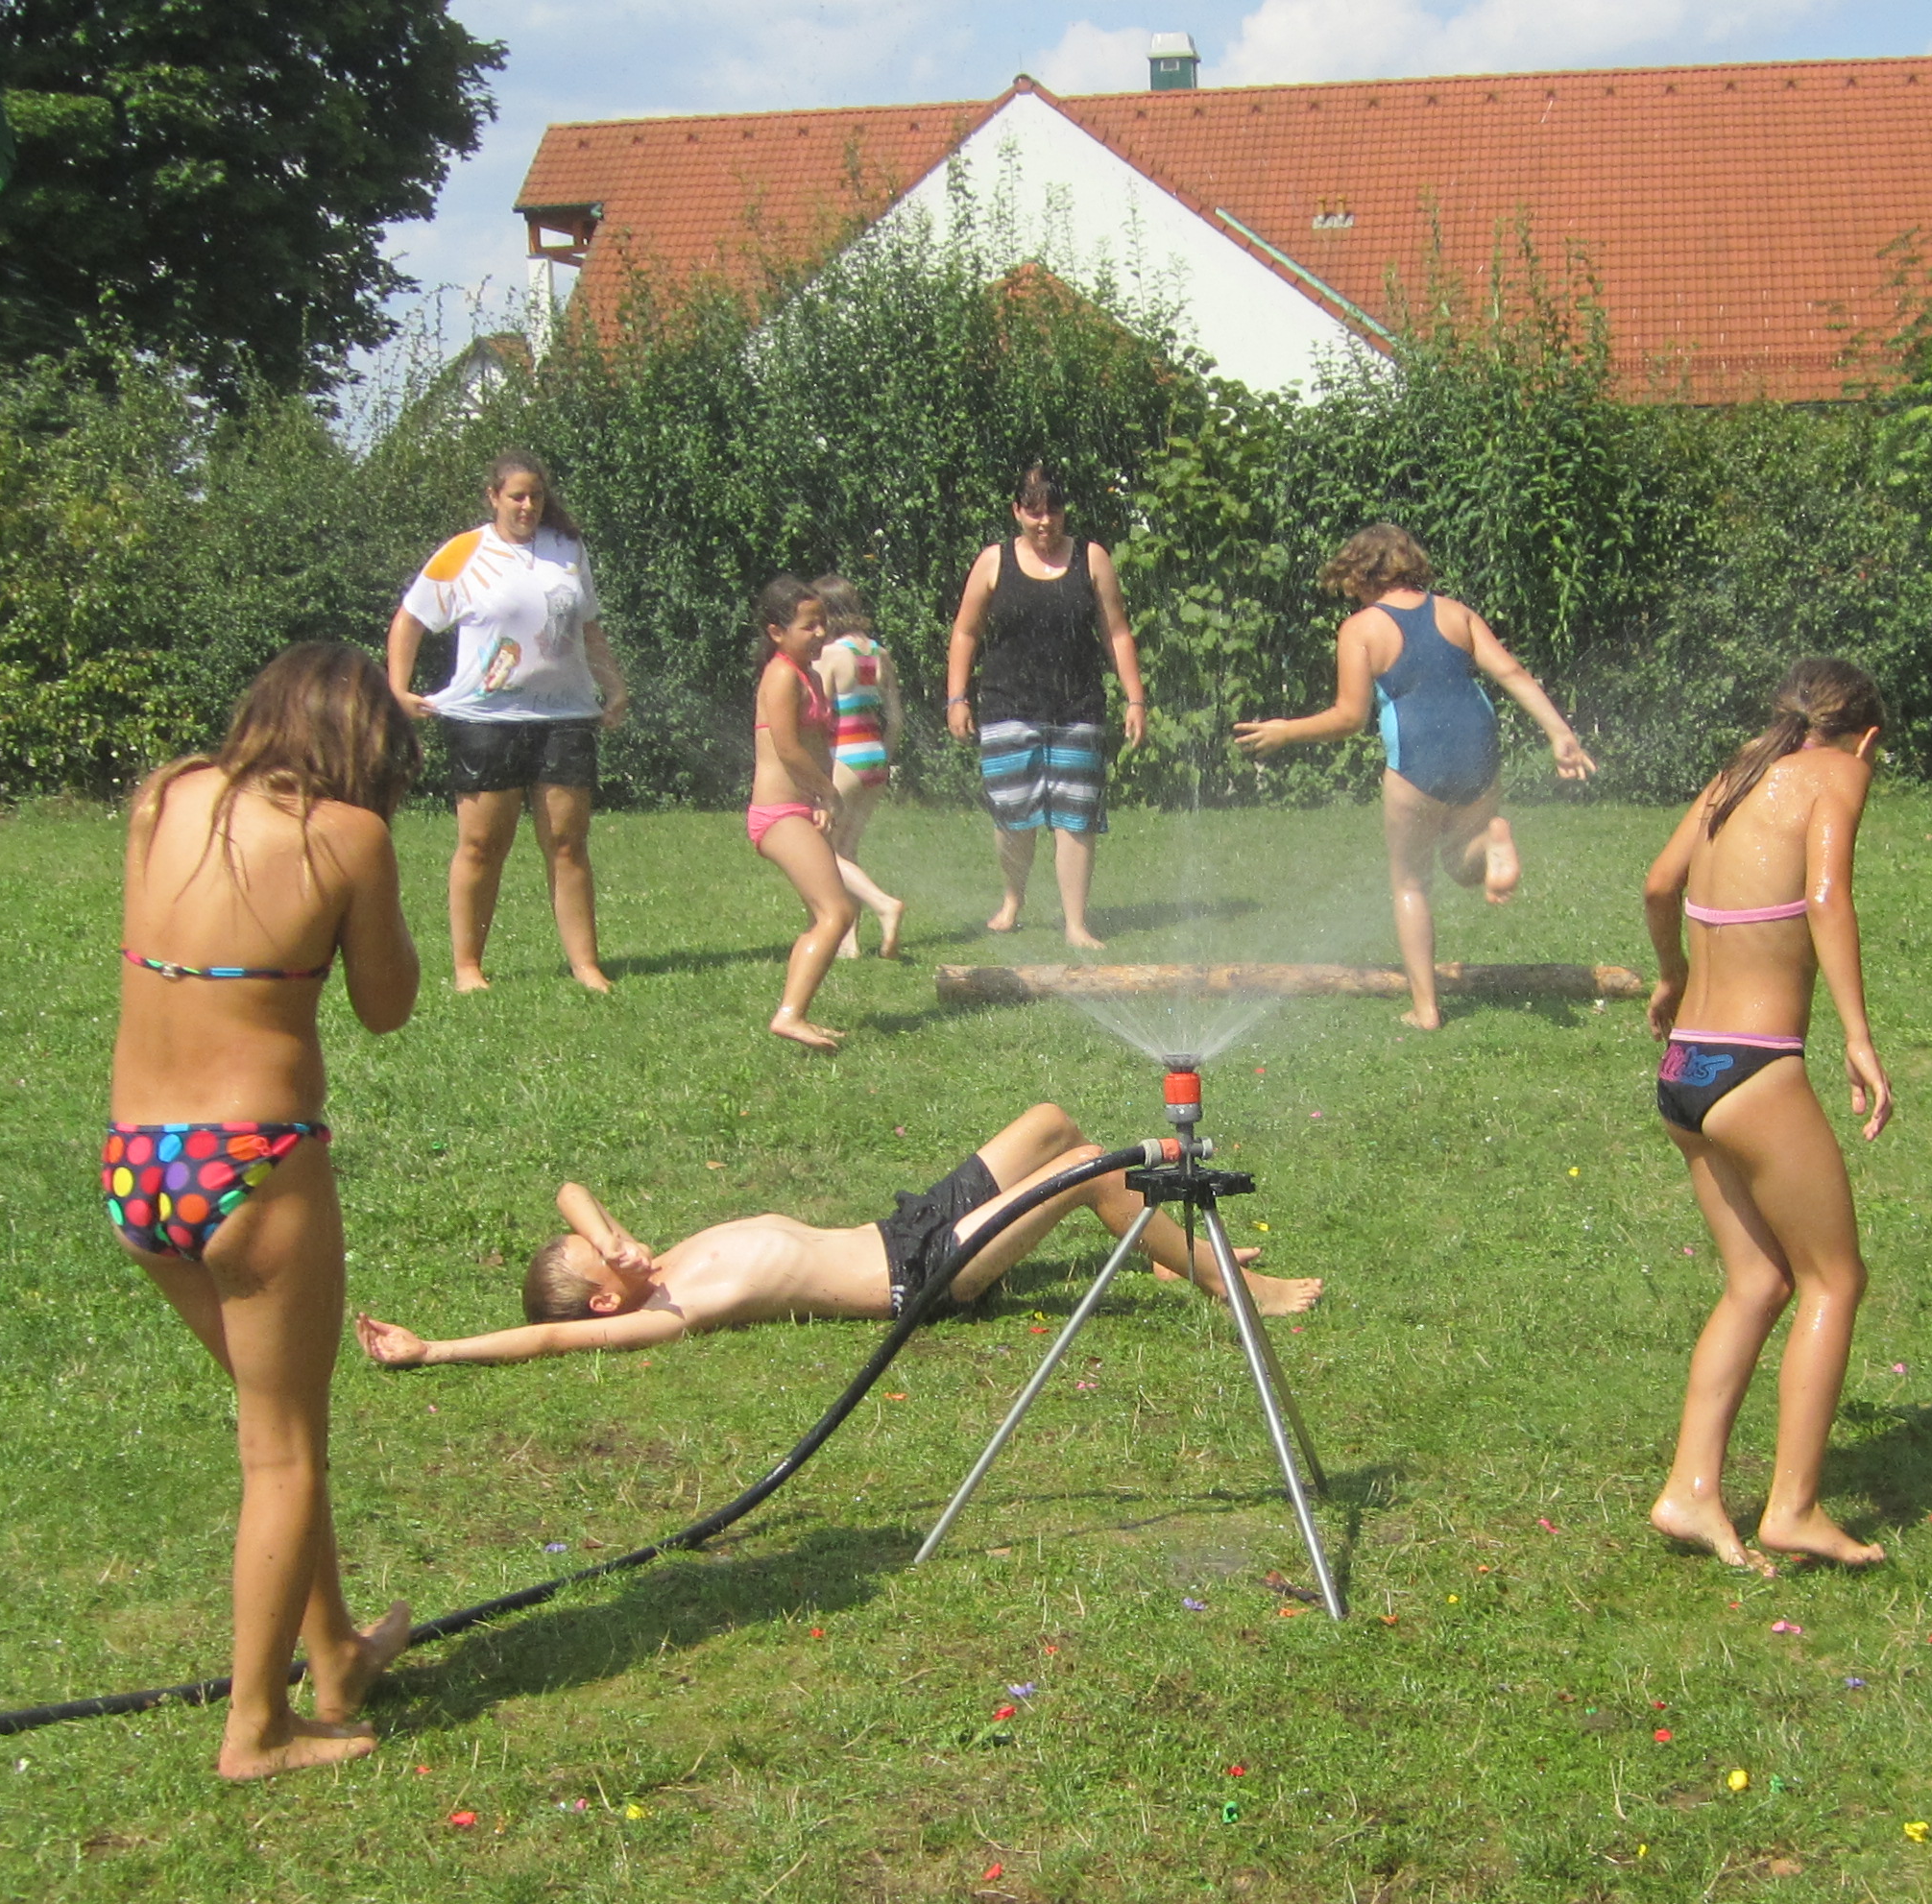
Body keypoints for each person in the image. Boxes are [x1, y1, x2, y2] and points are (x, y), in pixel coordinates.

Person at [107, 641, 427, 1778]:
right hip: (253, 1162)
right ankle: (257, 1728)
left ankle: (334, 1654)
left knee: (273, 1418)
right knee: (284, 1455)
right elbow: (387, 1004)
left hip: (139, 1166)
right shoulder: (350, 837)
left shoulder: (163, 799)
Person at [352, 1101, 1319, 1368]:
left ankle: (1158, 1252)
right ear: (608, 1300)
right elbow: (551, 1337)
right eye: (603, 1259)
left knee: (1050, 1124)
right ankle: (1225, 1283)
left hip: (904, 1226)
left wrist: (601, 1232)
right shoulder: (669, 1309)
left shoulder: (661, 1260)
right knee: (1092, 1169)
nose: (616, 1241)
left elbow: (570, 1190)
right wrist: (436, 1349)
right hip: (925, 1273)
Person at [1634, 658, 1896, 1576]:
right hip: (1754, 1069)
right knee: (1834, 1280)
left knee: (1757, 1282)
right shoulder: (1837, 773)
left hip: (1685, 1070)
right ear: (1865, 736)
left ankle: (1689, 1491)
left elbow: (1659, 884)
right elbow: (1827, 898)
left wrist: (1671, 973)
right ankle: (1794, 1509)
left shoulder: (1736, 773)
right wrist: (1857, 1036)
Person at [1231, 522, 1598, 1029]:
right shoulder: (1456, 613)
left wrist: (1286, 731)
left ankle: (1426, 1009)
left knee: (1410, 883)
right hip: (1477, 742)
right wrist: (1560, 733)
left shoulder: (1361, 629)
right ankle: (1492, 839)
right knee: (1462, 863)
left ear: (1360, 573)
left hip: (1418, 754)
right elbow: (1511, 672)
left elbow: (1349, 717)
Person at [384, 450, 629, 994]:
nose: (527, 505)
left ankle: (586, 965)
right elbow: (410, 619)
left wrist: (613, 685)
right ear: (493, 497)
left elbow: (588, 627)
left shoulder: (567, 549)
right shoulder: (464, 552)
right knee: (480, 846)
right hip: (484, 719)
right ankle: (468, 968)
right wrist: (398, 688)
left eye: (535, 496)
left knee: (567, 843)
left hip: (565, 715)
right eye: (516, 495)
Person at [943, 464, 1145, 951]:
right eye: (1033, 512)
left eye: (1052, 511)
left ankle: (1076, 924)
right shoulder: (994, 561)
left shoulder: (1091, 558)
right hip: (1007, 704)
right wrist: (956, 697)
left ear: (1064, 511)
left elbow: (1116, 632)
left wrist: (1135, 697)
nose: (1044, 522)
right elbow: (965, 632)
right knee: (1013, 814)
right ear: (1017, 512)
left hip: (1078, 707)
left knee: (1076, 818)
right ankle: (1013, 900)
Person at [745, 575, 861, 1052]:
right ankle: (789, 1015)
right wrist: (828, 794)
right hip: (776, 813)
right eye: (808, 626)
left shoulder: (808, 676)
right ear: (777, 632)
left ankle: (796, 1014)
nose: (820, 633)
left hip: (799, 808)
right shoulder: (780, 675)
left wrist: (818, 800)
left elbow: (817, 745)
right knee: (836, 912)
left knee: (828, 913)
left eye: (823, 623)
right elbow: (789, 748)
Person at [809, 571, 908, 958]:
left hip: (844, 756)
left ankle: (884, 905)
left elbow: (818, 715)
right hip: (874, 756)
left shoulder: (831, 655)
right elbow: (895, 719)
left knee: (822, 851)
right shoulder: (879, 653)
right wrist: (885, 756)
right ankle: (848, 942)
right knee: (847, 849)